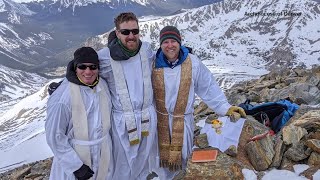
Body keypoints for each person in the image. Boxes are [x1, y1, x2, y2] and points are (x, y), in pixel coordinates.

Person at [152, 26, 246, 179]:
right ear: (161, 44)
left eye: (173, 41)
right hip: (159, 122)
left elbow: (208, 87)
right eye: (166, 42)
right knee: (161, 162)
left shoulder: (192, 63)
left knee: (183, 160)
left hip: (183, 122)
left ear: (180, 42)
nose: (170, 45)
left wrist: (225, 108)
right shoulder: (153, 63)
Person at [98, 12, 157, 179]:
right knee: (122, 166)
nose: (131, 36)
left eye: (135, 31)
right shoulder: (105, 56)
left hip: (146, 117)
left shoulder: (145, 49)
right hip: (122, 121)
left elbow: (160, 58)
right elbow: (86, 71)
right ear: (117, 33)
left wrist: (182, 52)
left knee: (144, 161)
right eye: (125, 32)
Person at [45, 47, 113, 180]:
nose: (88, 72)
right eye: (82, 67)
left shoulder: (102, 86)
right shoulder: (63, 97)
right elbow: (54, 136)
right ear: (75, 68)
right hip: (76, 158)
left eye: (93, 67)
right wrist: (75, 166)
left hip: (102, 154)